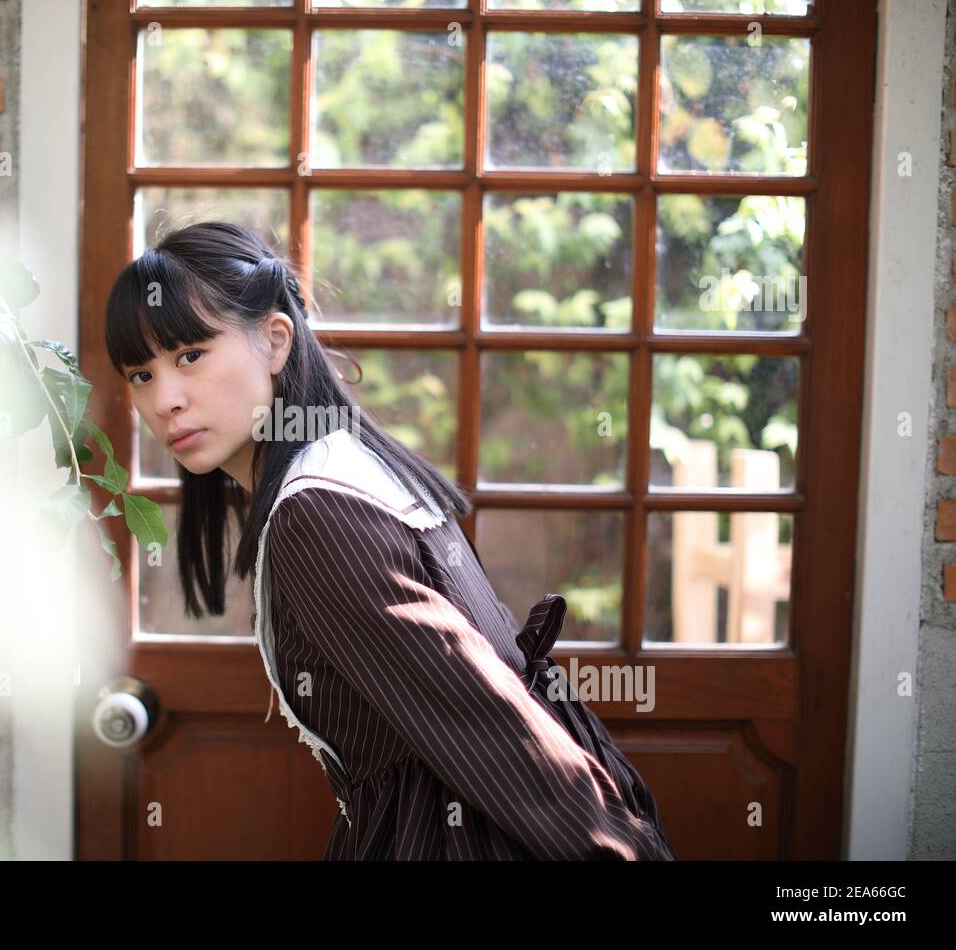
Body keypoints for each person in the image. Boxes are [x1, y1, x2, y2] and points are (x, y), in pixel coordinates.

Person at [104, 220, 677, 860]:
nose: (166, 401)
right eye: (141, 374)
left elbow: (486, 722)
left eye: (189, 356)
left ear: (273, 340)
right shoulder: (336, 467)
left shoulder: (316, 513)